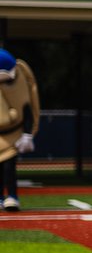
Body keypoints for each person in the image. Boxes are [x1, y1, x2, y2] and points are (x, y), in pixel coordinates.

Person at [0, 49, 40, 211]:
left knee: (9, 167)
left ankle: (12, 196)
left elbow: (27, 110)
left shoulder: (20, 80)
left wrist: (27, 135)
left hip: (13, 135)